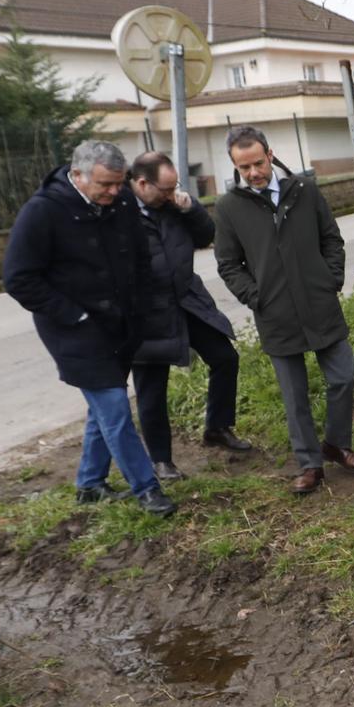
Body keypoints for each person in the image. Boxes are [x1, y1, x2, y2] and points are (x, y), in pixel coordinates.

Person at [3, 141, 177, 516]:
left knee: (104, 407)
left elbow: (141, 255)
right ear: (78, 175)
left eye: (119, 183)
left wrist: (141, 304)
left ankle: (90, 484)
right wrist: (73, 315)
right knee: (114, 406)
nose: (115, 192)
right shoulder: (43, 212)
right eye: (105, 185)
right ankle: (147, 488)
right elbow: (18, 278)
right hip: (73, 329)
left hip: (121, 322)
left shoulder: (123, 202)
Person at [212, 125, 354, 494]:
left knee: (343, 377)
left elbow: (331, 237)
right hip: (276, 314)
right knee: (294, 395)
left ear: (269, 154)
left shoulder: (304, 191)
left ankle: (336, 444)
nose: (253, 173)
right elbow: (228, 264)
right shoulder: (229, 207)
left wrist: (331, 279)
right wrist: (256, 296)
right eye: (244, 167)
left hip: (320, 305)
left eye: (257, 163)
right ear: (235, 166)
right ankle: (309, 464)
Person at [125, 151, 254, 481]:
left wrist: (190, 208)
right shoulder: (120, 213)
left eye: (174, 188)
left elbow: (205, 236)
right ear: (141, 183)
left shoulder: (172, 206)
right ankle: (162, 461)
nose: (170, 195)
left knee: (225, 358)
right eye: (165, 190)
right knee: (152, 387)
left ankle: (217, 427)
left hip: (187, 299)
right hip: (147, 312)